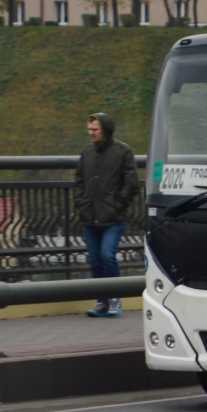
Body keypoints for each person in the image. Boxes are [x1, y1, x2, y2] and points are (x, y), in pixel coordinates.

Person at [74, 112, 139, 317]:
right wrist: (82, 203)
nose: (91, 133)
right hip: (90, 216)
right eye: (89, 129)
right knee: (95, 260)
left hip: (113, 218)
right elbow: (79, 181)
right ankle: (102, 301)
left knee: (106, 255)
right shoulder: (87, 153)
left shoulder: (123, 151)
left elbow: (132, 183)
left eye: (95, 129)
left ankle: (115, 300)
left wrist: (118, 205)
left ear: (106, 129)